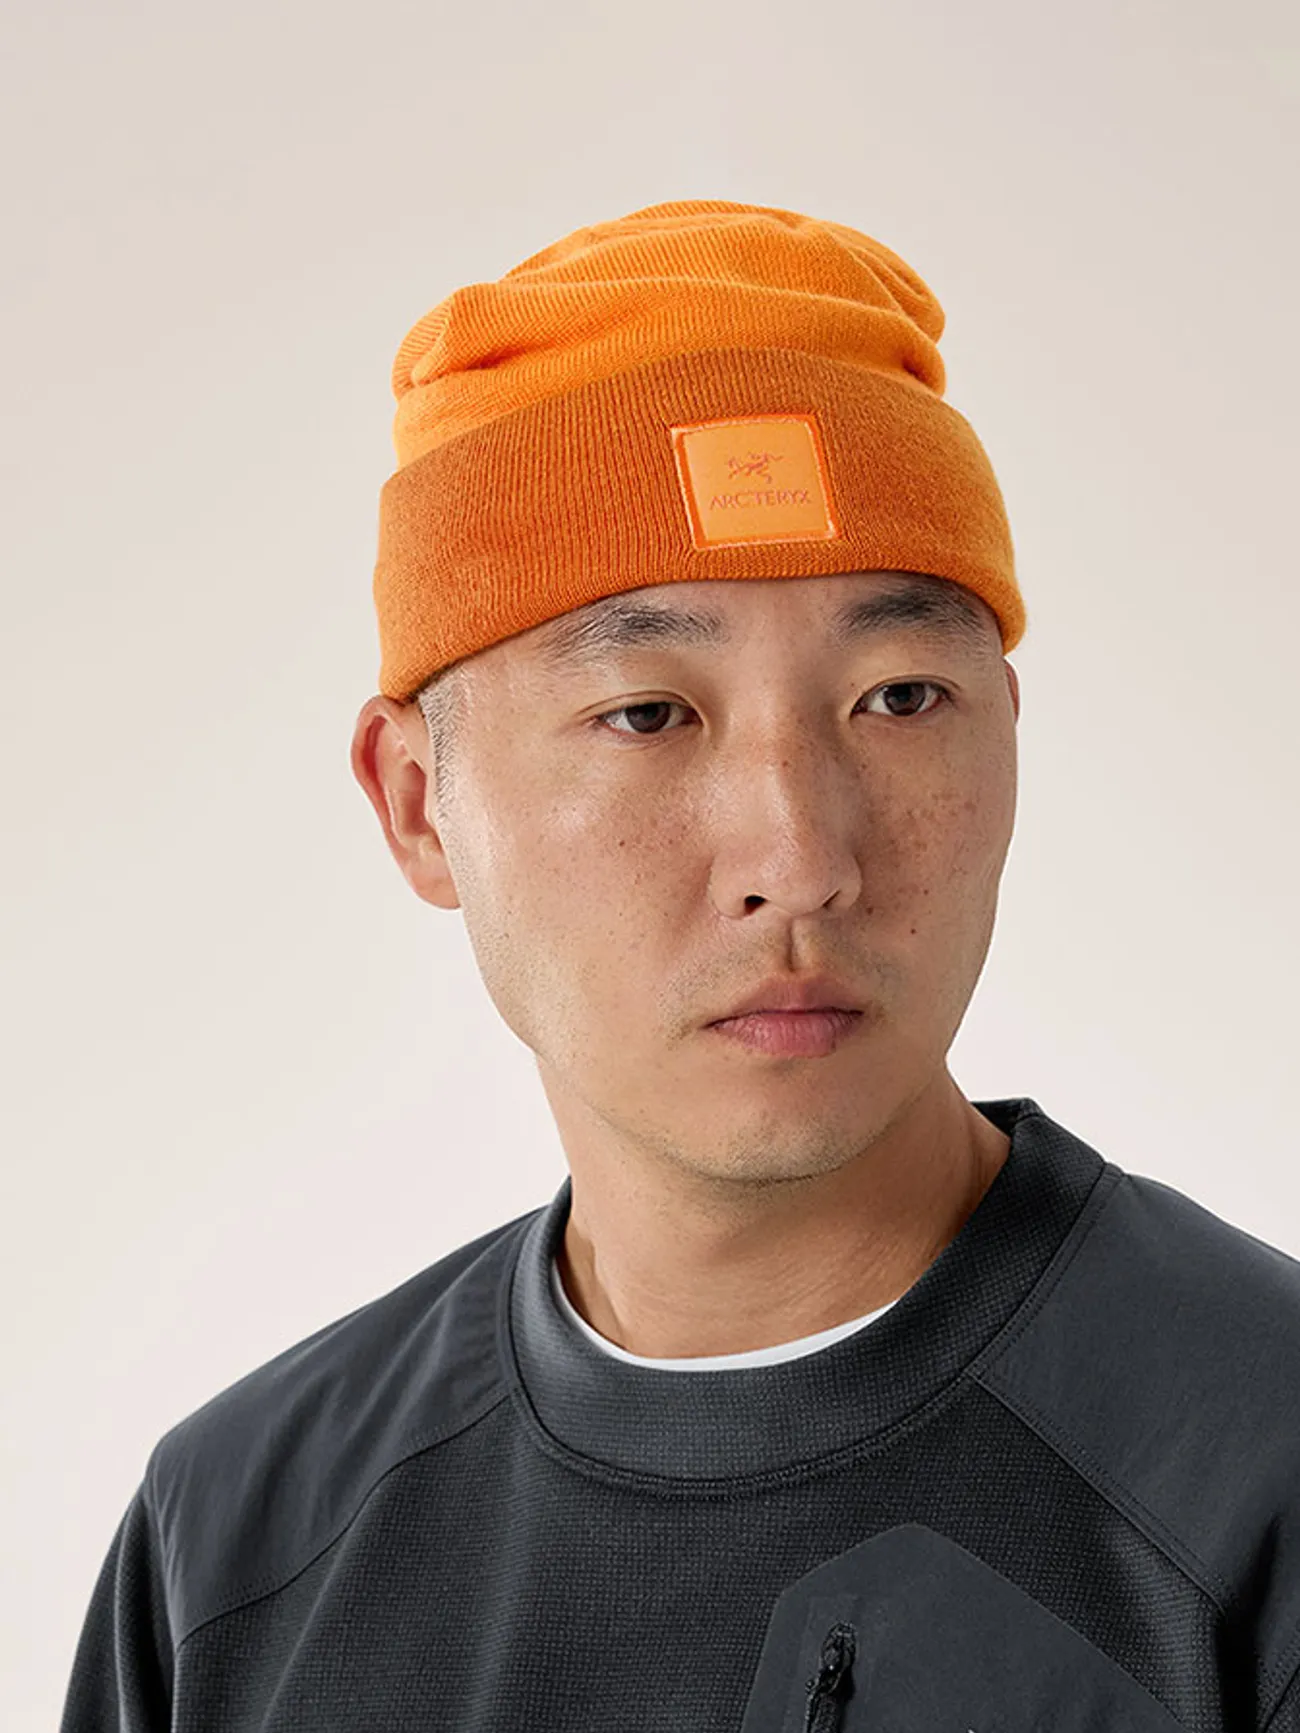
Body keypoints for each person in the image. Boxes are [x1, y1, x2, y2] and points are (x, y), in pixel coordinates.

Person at [60, 200, 1300, 1733]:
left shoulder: (1260, 1476)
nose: (801, 856)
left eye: (900, 697)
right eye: (648, 714)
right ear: (418, 805)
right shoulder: (235, 1548)